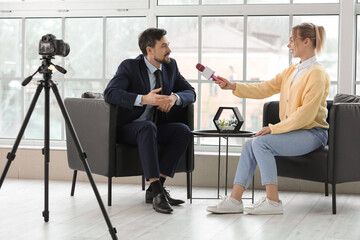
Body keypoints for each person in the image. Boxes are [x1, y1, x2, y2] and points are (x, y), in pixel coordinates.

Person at [207, 22, 330, 215]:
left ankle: (273, 201)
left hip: (312, 133)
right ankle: (235, 200)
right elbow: (264, 88)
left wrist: (274, 128)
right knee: (251, 144)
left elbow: (306, 114)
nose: (288, 45)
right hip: (294, 131)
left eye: (292, 40)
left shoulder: (317, 73)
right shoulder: (292, 71)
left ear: (306, 41)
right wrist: (233, 86)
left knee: (262, 143)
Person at [104, 28, 196, 214]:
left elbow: (190, 92)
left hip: (154, 127)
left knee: (182, 131)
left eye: (168, 45)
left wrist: (174, 98)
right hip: (129, 128)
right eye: (164, 46)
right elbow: (110, 93)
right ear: (149, 50)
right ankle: (157, 192)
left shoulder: (171, 66)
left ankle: (156, 189)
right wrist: (144, 99)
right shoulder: (129, 67)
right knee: (146, 127)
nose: (169, 49)